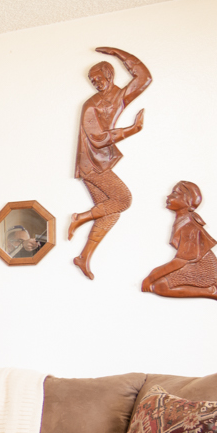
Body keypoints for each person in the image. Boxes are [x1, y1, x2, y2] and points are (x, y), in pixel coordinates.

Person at [67, 47, 150, 280]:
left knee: (111, 212)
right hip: (91, 164)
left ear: (109, 76)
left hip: (100, 162)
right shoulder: (90, 105)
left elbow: (144, 78)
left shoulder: (117, 96)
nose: (96, 83)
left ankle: (83, 257)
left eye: (98, 78)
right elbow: (97, 138)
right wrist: (132, 129)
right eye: (92, 81)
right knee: (123, 200)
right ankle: (80, 218)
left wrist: (118, 54)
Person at [140, 181, 217, 306]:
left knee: (159, 286)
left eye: (174, 194)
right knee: (154, 274)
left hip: (202, 269)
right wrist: (153, 275)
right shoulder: (183, 220)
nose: (168, 196)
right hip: (192, 264)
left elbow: (181, 261)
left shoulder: (188, 227)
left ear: (187, 201)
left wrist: (150, 279)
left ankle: (212, 290)